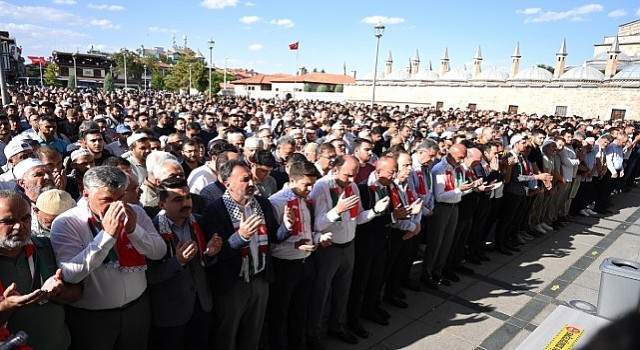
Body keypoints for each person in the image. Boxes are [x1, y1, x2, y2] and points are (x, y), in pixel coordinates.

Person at [50, 166, 166, 350]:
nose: (116, 206)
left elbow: (159, 252)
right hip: (93, 319)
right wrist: (106, 236)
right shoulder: (67, 222)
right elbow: (70, 274)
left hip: (137, 310)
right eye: (107, 200)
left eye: (120, 198)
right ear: (86, 194)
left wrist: (134, 231)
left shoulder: (136, 212)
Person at [201, 160, 291, 350]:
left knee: (253, 332)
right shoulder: (215, 210)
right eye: (244, 179)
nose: (251, 183)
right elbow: (216, 253)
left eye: (251, 178)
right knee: (227, 334)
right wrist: (240, 237)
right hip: (233, 284)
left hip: (260, 279)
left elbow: (273, 237)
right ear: (227, 184)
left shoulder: (262, 204)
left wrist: (287, 228)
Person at [306, 155, 390, 348]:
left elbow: (358, 218)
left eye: (354, 175)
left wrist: (375, 211)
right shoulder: (321, 187)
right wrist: (337, 210)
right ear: (335, 170)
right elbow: (317, 224)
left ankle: (337, 325)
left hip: (348, 246)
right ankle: (314, 334)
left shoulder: (352, 187)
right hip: (329, 249)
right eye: (348, 175)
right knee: (321, 293)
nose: (352, 180)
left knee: (343, 291)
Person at [0, 190, 82, 350]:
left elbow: (77, 292)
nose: (19, 226)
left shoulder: (46, 247)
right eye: (8, 221)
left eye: (25, 218)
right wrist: (8, 306)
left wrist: (57, 293)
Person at [147, 177, 223, 350]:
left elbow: (207, 264)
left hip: (201, 305)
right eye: (178, 200)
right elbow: (150, 276)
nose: (186, 203)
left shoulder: (200, 222)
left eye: (188, 197)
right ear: (161, 205)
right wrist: (178, 262)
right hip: (171, 311)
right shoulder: (153, 231)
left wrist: (210, 255)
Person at [267, 161, 332, 350]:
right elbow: (272, 240)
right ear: (292, 180)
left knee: (300, 309)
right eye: (306, 185)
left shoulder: (305, 199)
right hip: (285, 265)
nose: (310, 189)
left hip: (305, 263)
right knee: (280, 313)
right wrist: (294, 244)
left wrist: (319, 237)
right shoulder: (276, 202)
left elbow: (308, 231)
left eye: (313, 184)